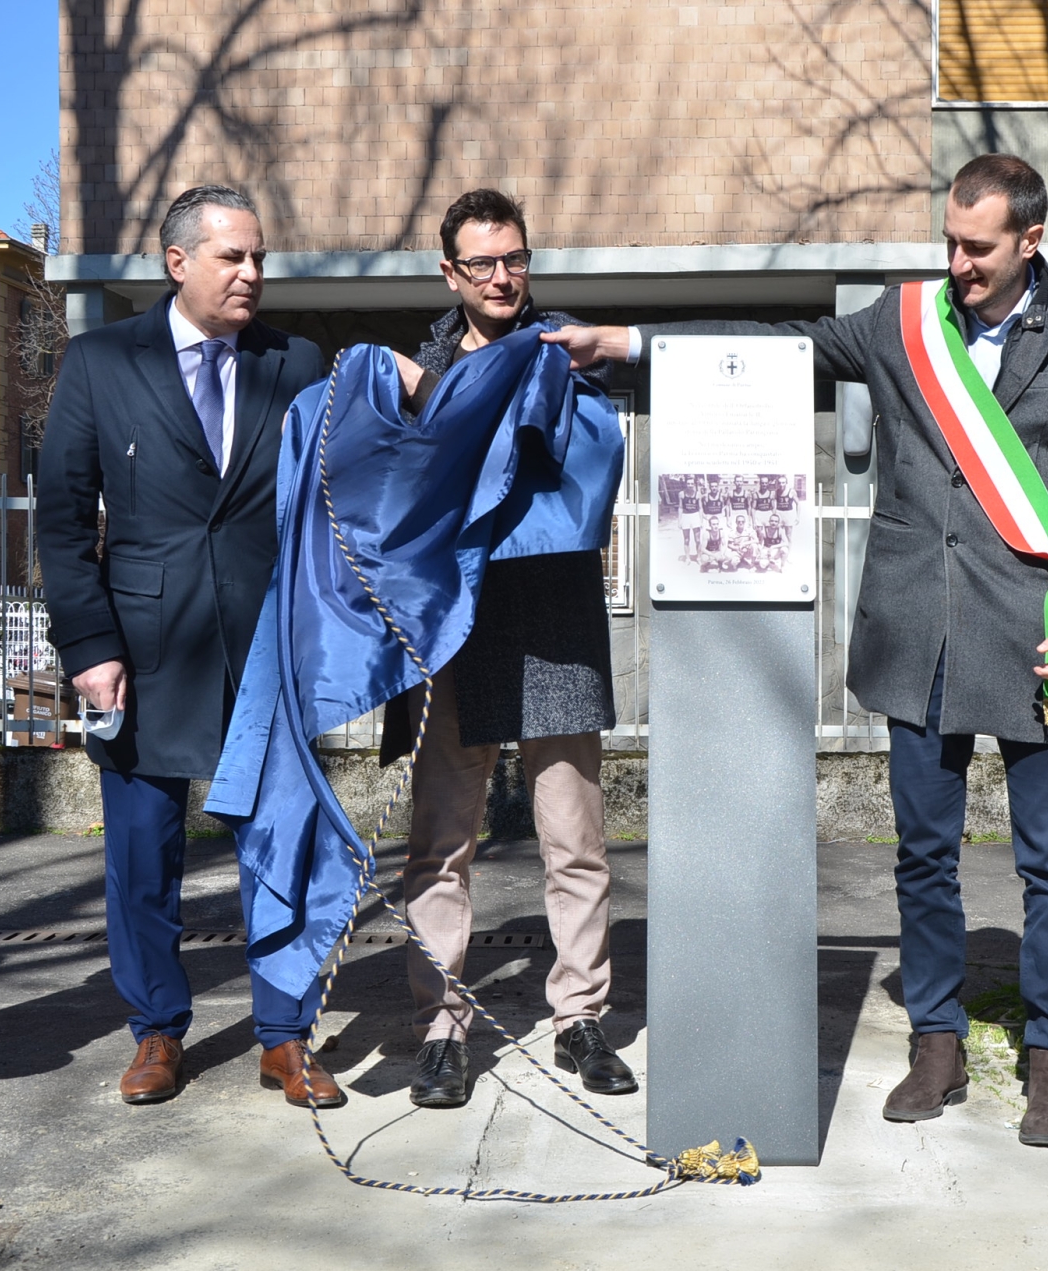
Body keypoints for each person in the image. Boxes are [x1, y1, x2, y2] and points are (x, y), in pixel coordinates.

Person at [547, 154, 1048, 1148]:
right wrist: (628, 341)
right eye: (950, 242)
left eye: (978, 247)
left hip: (1043, 636)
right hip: (917, 636)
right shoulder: (901, 321)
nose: (957, 263)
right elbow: (782, 347)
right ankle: (937, 1042)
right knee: (922, 857)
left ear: (1030, 240)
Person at [35, 186, 336, 1107]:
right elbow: (61, 520)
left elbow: (328, 503)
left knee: (280, 845)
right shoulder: (101, 361)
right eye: (231, 257)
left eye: (258, 257)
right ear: (177, 262)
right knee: (141, 854)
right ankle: (157, 1030)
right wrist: (89, 644)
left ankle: (285, 1035)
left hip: (267, 647)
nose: (251, 274)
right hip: (142, 648)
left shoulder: (296, 362)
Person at [382, 189, 636, 1109]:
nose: (502, 278)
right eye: (482, 263)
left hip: (554, 617)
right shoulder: (421, 366)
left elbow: (595, 463)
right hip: (454, 627)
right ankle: (443, 1030)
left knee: (575, 840)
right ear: (448, 271)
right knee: (440, 844)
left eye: (515, 259)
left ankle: (580, 1018)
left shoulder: (565, 349)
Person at [677, 478, 703, 561]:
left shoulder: (698, 494)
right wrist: (679, 521)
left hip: (695, 516)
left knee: (697, 539)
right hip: (685, 516)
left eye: (692, 483)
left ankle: (699, 557)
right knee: (686, 539)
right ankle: (688, 558)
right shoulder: (681, 494)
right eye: (688, 483)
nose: (690, 485)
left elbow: (700, 508)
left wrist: (701, 521)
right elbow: (680, 507)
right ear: (686, 484)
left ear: (694, 484)